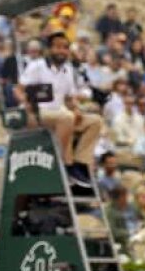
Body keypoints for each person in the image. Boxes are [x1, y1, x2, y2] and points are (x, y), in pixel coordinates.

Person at [18, 29, 102, 185]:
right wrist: (28, 107)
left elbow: (69, 98)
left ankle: (80, 163)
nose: (61, 51)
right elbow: (19, 90)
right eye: (57, 47)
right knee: (66, 118)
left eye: (65, 47)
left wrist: (77, 109)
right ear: (49, 49)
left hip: (59, 113)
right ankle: (64, 164)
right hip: (39, 113)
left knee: (95, 121)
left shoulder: (68, 70)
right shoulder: (37, 66)